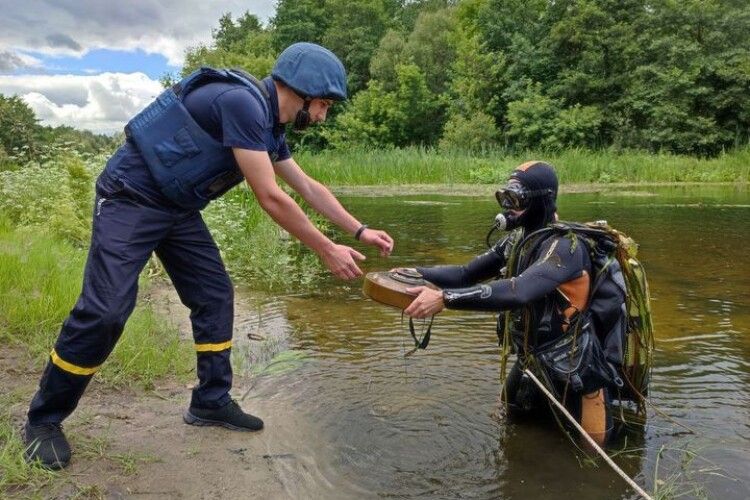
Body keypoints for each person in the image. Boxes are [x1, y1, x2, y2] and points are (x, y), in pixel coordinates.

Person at [23, 42, 394, 470]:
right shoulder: (242, 104)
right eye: (325, 105)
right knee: (105, 312)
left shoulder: (270, 124)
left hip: (175, 209)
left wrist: (359, 230)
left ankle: (211, 401)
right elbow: (271, 197)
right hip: (130, 197)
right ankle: (44, 420)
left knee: (215, 294)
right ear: (303, 92)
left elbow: (305, 186)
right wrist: (326, 249)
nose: (324, 116)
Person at [403, 161, 614, 446]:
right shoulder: (518, 240)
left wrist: (445, 298)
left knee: (592, 455)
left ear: (542, 200)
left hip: (575, 369)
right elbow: (466, 274)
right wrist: (415, 273)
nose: (508, 207)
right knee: (508, 424)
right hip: (531, 359)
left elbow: (519, 291)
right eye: (505, 198)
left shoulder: (565, 247)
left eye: (516, 200)